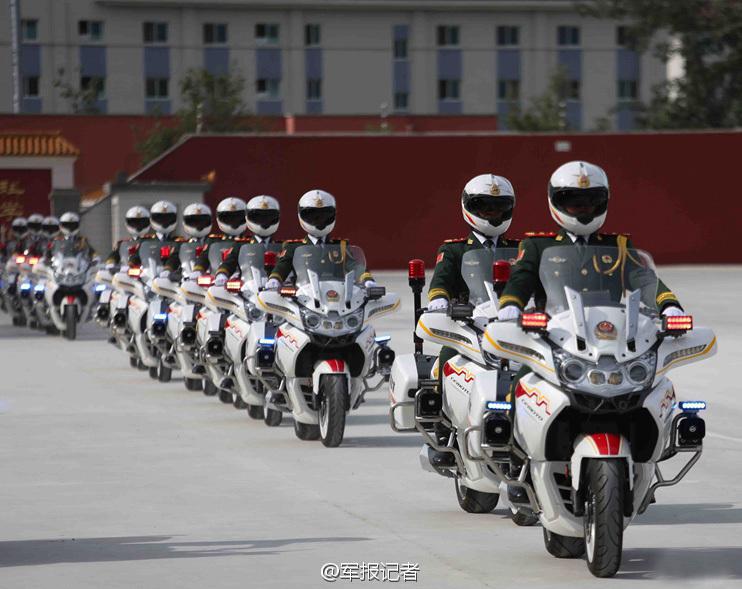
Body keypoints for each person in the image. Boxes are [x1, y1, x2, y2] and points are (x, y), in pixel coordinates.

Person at [497, 160, 683, 320]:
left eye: (592, 202)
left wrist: (668, 304)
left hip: (608, 331)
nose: (585, 209)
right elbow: (521, 279)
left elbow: (643, 280)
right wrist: (511, 304)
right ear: (556, 202)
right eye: (575, 204)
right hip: (552, 334)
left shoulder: (618, 245)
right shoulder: (538, 246)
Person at [424, 173, 520, 467]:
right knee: (445, 359)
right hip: (469, 325)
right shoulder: (454, 249)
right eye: (484, 207)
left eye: (498, 207)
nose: (491, 214)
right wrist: (439, 300)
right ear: (469, 208)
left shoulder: (521, 249)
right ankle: (442, 427)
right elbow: (441, 280)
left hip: (510, 328)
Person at [264, 189, 374, 289]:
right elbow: (283, 266)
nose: (319, 220)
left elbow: (354, 266)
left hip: (338, 296)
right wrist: (275, 279)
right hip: (304, 298)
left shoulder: (340, 246)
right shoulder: (294, 247)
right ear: (301, 216)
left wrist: (366, 279)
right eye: (313, 216)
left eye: (324, 215)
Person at [213, 194, 281, 283]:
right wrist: (222, 274)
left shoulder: (281, 246)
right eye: (258, 217)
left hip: (275, 289)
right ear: (247, 218)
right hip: (249, 287)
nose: (264, 221)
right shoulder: (242, 245)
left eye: (269, 217)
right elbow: (229, 262)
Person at [190, 197, 249, 280]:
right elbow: (204, 257)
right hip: (217, 279)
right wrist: (198, 270)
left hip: (244, 279)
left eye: (237, 217)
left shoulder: (249, 242)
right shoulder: (214, 241)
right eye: (228, 218)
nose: (233, 221)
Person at [160, 203, 213, 278]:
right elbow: (174, 258)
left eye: (202, 221)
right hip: (188, 279)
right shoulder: (182, 244)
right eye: (193, 221)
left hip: (212, 278)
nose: (198, 224)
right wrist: (168, 269)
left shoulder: (214, 242)